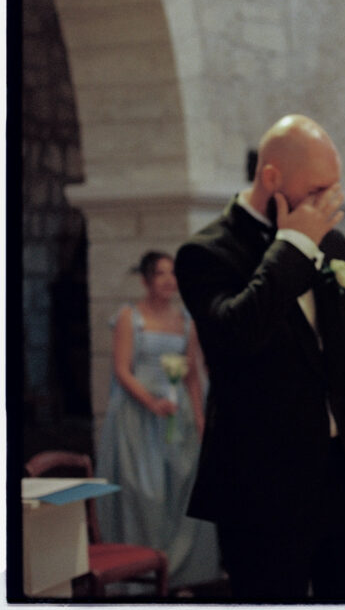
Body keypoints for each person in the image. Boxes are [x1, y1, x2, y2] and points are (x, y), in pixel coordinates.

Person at [174, 114, 345, 600]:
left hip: (342, 472)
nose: (330, 201)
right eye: (318, 188)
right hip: (261, 482)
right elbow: (236, 336)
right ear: (271, 178)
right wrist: (294, 243)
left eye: (334, 188)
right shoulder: (205, 253)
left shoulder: (335, 243)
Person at [95, 250, 220, 592]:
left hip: (175, 414)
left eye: (173, 274)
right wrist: (150, 401)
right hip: (138, 416)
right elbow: (122, 370)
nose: (169, 280)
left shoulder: (186, 319)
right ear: (146, 280)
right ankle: (138, 578)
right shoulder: (129, 316)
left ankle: (180, 573)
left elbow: (193, 374)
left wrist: (199, 421)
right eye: (161, 274)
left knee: (179, 492)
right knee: (143, 496)